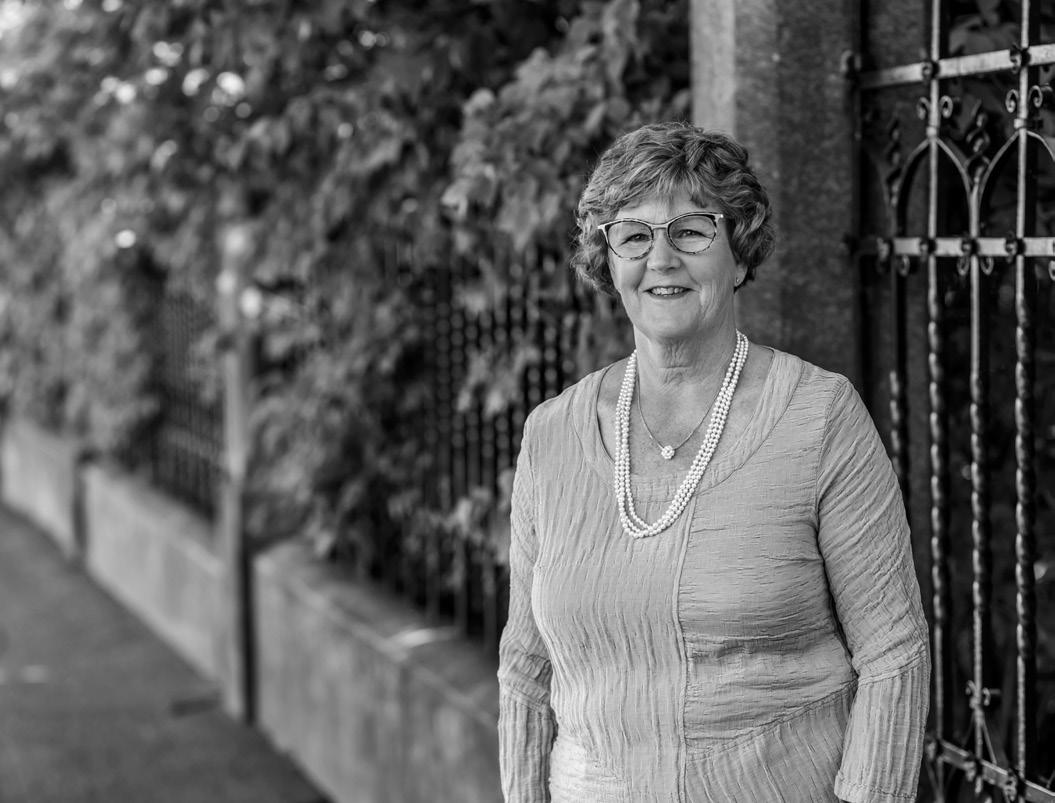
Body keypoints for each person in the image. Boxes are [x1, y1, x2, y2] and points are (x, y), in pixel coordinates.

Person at [497, 121, 930, 803]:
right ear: (608, 261)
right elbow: (526, 671)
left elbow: (892, 652)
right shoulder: (550, 436)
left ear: (739, 252)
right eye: (633, 235)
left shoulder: (818, 417)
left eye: (691, 231)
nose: (661, 258)